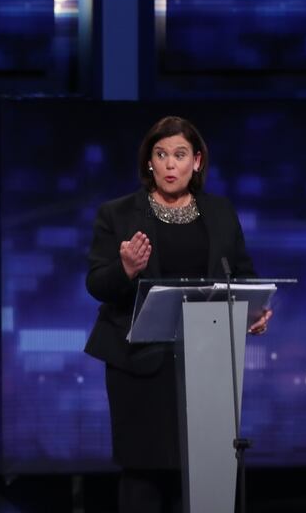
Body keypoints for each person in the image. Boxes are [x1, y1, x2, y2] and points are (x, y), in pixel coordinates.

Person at [84, 116, 272, 513]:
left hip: (207, 361)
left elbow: (242, 273)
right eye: (162, 154)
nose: (170, 164)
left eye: (180, 155)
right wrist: (126, 270)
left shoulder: (220, 213)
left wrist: (254, 310)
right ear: (149, 162)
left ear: (197, 162)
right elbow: (97, 283)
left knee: (204, 469)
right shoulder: (117, 215)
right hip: (137, 363)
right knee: (144, 472)